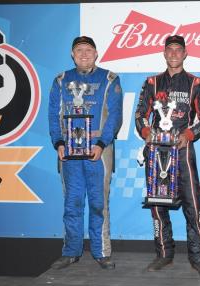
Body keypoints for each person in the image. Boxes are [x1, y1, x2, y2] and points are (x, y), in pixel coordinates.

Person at [135, 35, 200, 277]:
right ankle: (163, 255)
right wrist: (147, 132)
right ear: (164, 53)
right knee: (157, 206)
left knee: (193, 204)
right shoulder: (151, 82)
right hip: (157, 150)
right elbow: (139, 114)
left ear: (185, 53)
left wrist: (188, 134)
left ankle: (198, 257)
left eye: (178, 50)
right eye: (170, 50)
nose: (174, 54)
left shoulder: (196, 83)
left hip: (183, 150)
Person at [48, 36, 123, 270]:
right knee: (72, 202)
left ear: (96, 53)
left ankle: (101, 252)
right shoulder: (61, 81)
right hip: (69, 153)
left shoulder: (109, 79)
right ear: (72, 54)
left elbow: (115, 116)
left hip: (98, 152)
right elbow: (53, 114)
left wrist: (101, 143)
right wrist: (58, 142)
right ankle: (71, 251)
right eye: (79, 50)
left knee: (99, 203)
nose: (84, 54)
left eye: (88, 50)